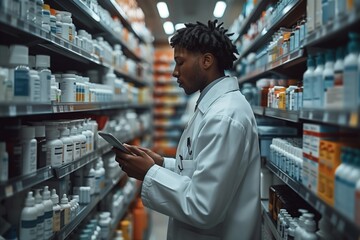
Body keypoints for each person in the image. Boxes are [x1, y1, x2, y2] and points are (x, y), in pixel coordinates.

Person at [114, 19, 261, 240]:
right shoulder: (213, 106)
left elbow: (203, 207)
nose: (175, 72)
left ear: (206, 61)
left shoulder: (225, 116)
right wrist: (161, 164)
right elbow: (201, 168)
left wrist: (149, 173)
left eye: (180, 62)